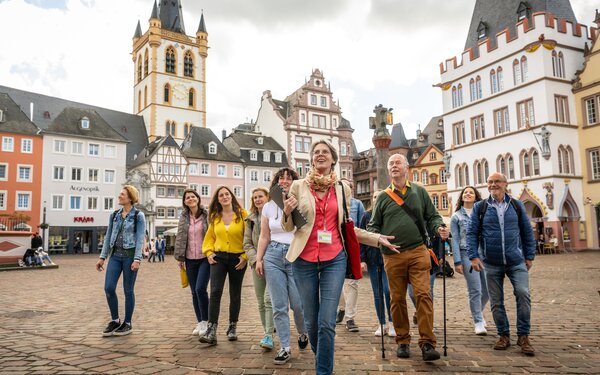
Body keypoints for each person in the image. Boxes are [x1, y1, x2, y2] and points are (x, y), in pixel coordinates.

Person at [282, 139, 398, 375]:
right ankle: (321, 358)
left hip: (334, 258)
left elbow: (347, 227)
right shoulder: (298, 186)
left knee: (327, 322)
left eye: (325, 151)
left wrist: (376, 239)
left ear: (333, 159)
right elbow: (289, 227)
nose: (320, 154)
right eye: (316, 152)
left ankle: (323, 371)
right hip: (303, 259)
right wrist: (286, 212)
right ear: (311, 159)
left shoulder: (341, 189)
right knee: (312, 323)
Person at [367, 153, 449, 361]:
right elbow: (373, 225)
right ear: (388, 170)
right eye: (391, 164)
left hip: (417, 252)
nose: (394, 166)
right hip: (392, 256)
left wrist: (439, 227)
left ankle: (427, 343)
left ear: (406, 168)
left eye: (398, 163)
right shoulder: (384, 197)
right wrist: (378, 237)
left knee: (423, 295)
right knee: (396, 299)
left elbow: (432, 216)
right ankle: (403, 340)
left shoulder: (419, 192)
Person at [467, 172, 536, 356]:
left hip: (516, 261)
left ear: (506, 184)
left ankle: (523, 336)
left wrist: (529, 256)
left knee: (523, 294)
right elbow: (472, 233)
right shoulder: (480, 207)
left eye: (497, 181)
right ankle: (503, 335)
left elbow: (527, 232)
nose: (493, 185)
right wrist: (473, 256)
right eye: (490, 182)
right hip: (491, 262)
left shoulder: (516, 205)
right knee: (496, 302)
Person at [256, 168, 308, 365]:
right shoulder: (268, 206)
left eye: (289, 178)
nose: (285, 181)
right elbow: (264, 236)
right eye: (281, 178)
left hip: (295, 254)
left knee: (298, 305)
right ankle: (285, 347)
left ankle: (303, 333)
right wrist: (259, 259)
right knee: (279, 305)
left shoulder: (301, 203)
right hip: (273, 255)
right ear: (276, 182)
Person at [200, 186, 248, 345]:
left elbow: (249, 238)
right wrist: (208, 252)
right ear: (218, 199)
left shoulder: (243, 215)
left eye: (227, 194)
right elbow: (209, 238)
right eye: (221, 195)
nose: (224, 197)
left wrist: (245, 256)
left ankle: (232, 326)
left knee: (235, 293)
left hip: (238, 258)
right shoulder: (214, 217)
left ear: (232, 196)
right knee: (215, 291)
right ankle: (211, 330)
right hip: (218, 258)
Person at [96, 185, 146, 337]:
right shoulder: (114, 215)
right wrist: (102, 257)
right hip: (115, 256)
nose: (119, 196)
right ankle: (115, 320)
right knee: (109, 287)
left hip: (130, 257)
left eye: (122, 194)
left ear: (130, 197)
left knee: (128, 290)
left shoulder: (138, 216)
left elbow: (140, 239)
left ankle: (128, 323)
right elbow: (108, 236)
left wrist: (137, 259)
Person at [450, 185, 489, 335]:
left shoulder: (482, 214)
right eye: (465, 192)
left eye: (471, 192)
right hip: (465, 253)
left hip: (483, 254)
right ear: (461, 197)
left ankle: (478, 311)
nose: (468, 194)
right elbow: (454, 240)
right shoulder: (456, 217)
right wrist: (457, 261)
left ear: (476, 196)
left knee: (488, 291)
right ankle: (478, 321)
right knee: (475, 289)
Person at [359, 190, 395, 337]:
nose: (377, 199)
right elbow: (360, 238)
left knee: (388, 291)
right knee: (377, 293)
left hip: (388, 258)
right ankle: (382, 323)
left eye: (380, 196)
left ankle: (392, 323)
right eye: (375, 197)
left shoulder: (390, 214)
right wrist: (362, 259)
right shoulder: (366, 216)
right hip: (372, 259)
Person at [243, 186, 275, 350]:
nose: (257, 199)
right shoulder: (250, 219)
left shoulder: (275, 214)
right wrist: (256, 260)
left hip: (275, 262)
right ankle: (267, 330)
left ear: (268, 197)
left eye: (260, 196)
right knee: (261, 301)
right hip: (257, 264)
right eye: (254, 197)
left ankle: (269, 335)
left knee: (269, 299)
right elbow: (247, 244)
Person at [174, 189, 210, 337]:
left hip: (205, 257)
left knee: (201, 289)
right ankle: (200, 322)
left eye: (193, 196)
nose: (190, 199)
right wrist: (180, 258)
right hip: (189, 259)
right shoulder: (183, 217)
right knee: (194, 291)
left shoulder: (206, 215)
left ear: (198, 199)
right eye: (187, 197)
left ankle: (207, 322)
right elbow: (180, 237)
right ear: (184, 201)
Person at [336, 178, 365, 332]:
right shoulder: (332, 200)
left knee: (352, 283)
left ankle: (350, 318)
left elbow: (361, 228)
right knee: (336, 282)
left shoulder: (357, 204)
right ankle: (341, 307)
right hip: (336, 247)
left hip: (352, 247)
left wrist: (361, 256)